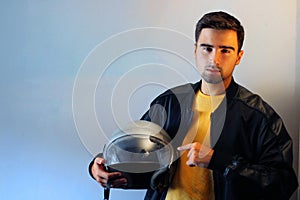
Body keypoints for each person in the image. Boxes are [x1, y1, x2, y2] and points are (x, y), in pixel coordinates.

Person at [89, 11, 298, 200]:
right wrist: (99, 167)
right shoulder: (169, 103)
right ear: (195, 50)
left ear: (238, 57)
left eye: (225, 50)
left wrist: (220, 161)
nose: (214, 59)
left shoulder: (259, 116)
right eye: (207, 48)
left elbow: (283, 184)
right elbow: (136, 152)